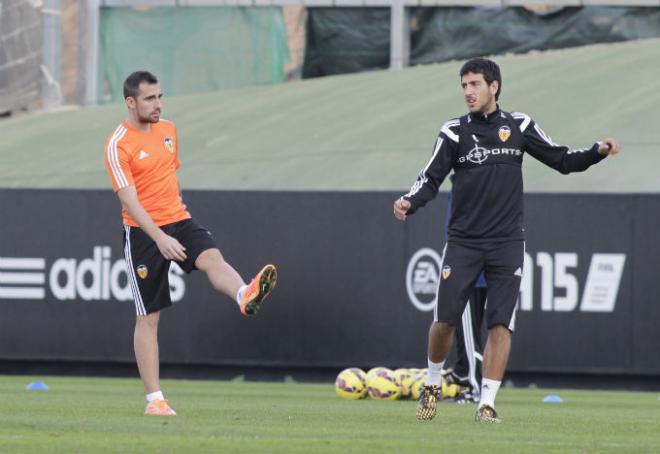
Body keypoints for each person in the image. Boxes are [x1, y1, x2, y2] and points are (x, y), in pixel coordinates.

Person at [393, 58, 619, 423]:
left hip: (507, 242)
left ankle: (487, 404)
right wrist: (409, 201)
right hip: (464, 242)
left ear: (494, 86)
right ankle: (432, 384)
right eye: (464, 85)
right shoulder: (453, 132)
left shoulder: (519, 125)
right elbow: (430, 178)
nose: (468, 92)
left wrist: (597, 152)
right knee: (444, 322)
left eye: (475, 84)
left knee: (500, 325)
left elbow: (562, 159)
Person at [103, 71, 277, 416]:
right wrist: (160, 236)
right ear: (130, 102)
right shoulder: (117, 144)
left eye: (160, 96)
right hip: (142, 233)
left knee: (212, 257)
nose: (158, 104)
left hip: (179, 219)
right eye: (150, 98)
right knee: (148, 318)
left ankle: (244, 295)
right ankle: (155, 400)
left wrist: (176, 219)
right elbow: (129, 201)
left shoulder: (168, 130)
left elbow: (169, 175)